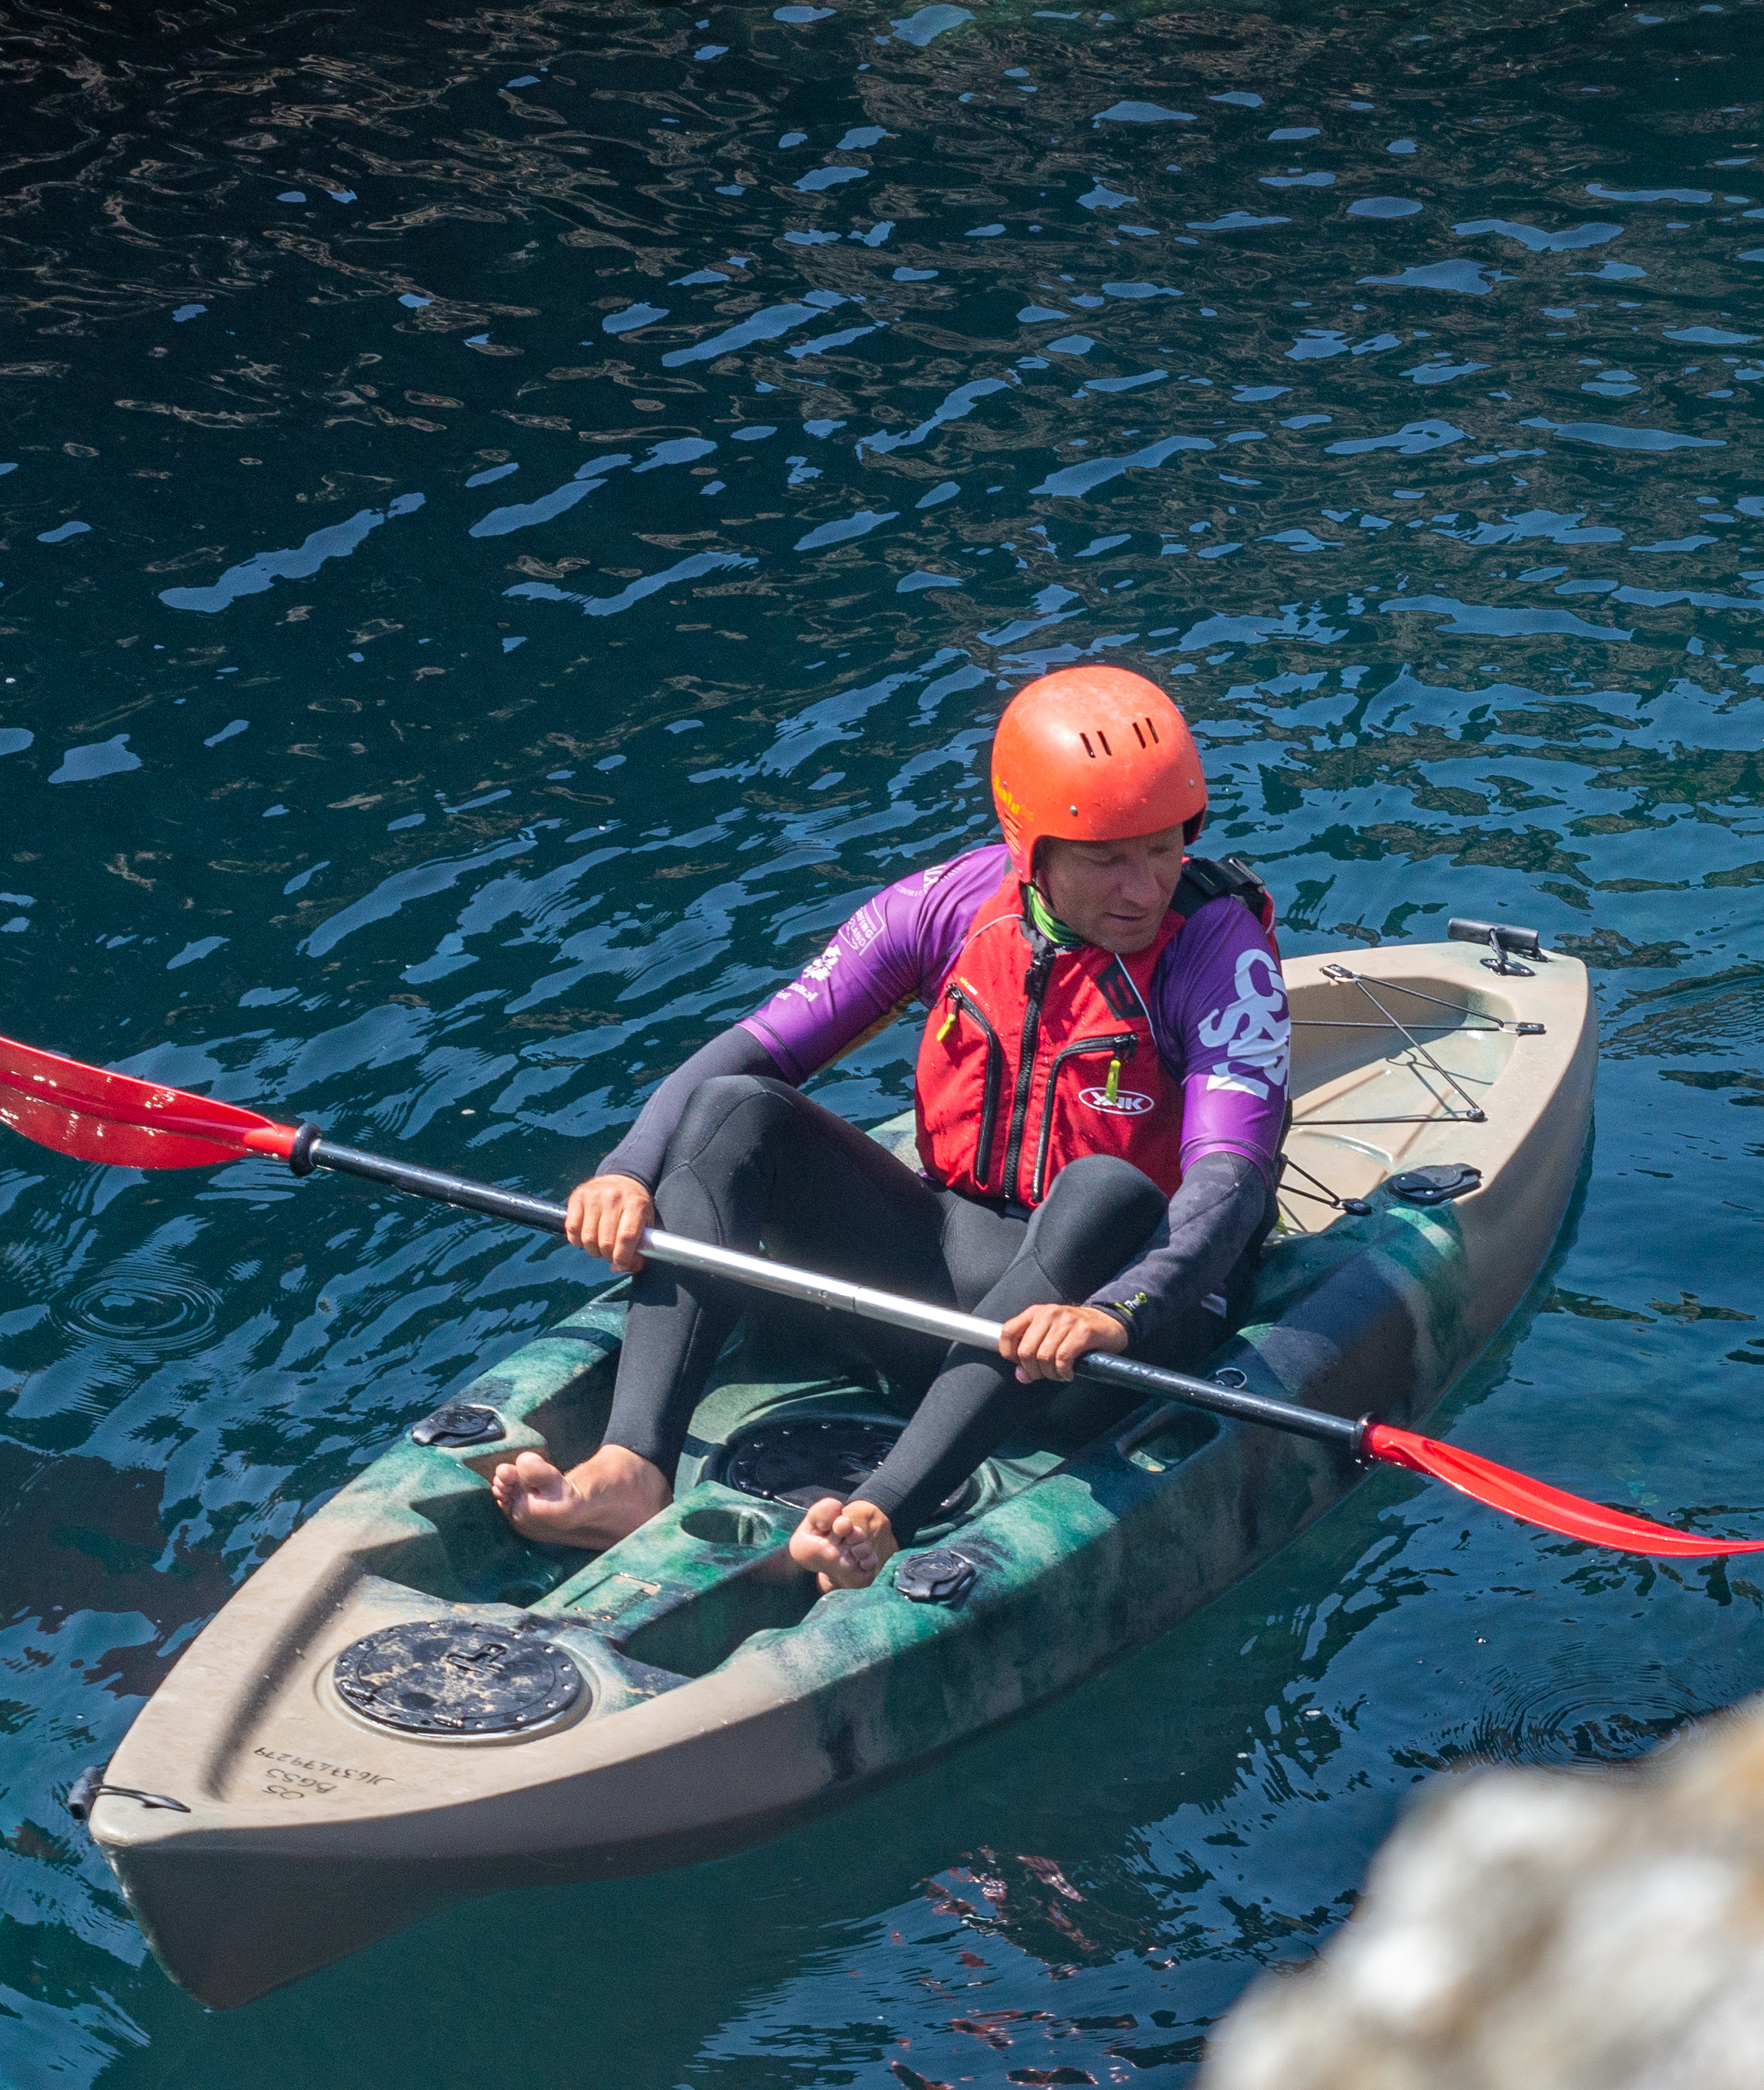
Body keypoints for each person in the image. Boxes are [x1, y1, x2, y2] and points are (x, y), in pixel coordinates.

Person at [489, 665, 1292, 1592]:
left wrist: (1120, 1307)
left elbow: (1232, 1181)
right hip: (954, 1287)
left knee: (1104, 1187)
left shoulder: (1219, 954)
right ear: (1028, 846)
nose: (1145, 887)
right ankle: (633, 1466)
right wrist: (627, 1168)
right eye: (1107, 857)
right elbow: (753, 1047)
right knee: (732, 1114)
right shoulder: (944, 907)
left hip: (1109, 1333)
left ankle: (880, 1511)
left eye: (1163, 849)